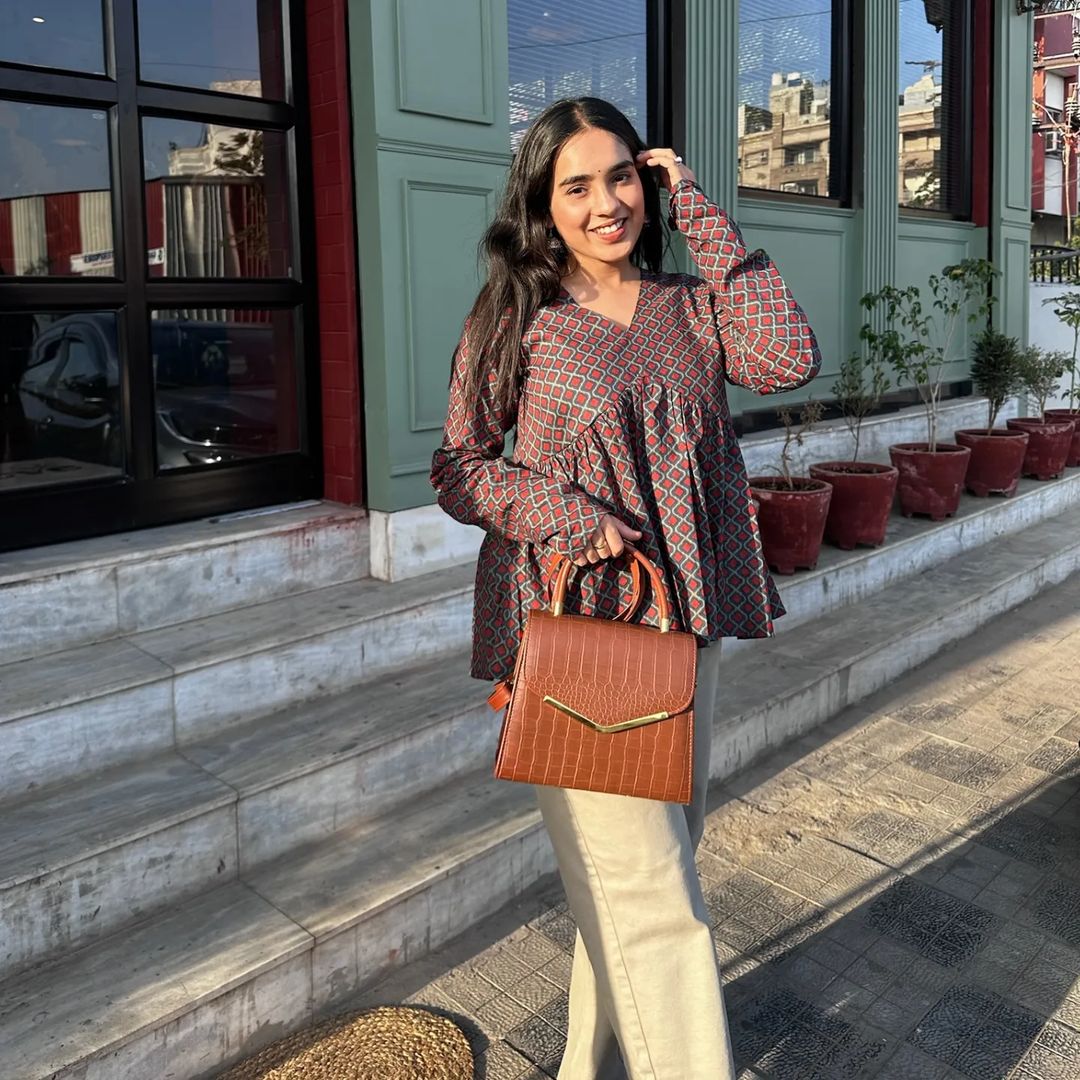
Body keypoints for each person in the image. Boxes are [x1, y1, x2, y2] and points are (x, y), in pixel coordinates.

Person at [430, 97, 820, 1079]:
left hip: (684, 624)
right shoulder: (519, 314)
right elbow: (462, 465)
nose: (605, 203)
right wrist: (573, 517)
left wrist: (701, 207)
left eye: (620, 178)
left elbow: (787, 357)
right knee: (655, 900)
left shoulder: (693, 306)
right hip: (572, 629)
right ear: (542, 205)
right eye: (576, 186)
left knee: (647, 878)